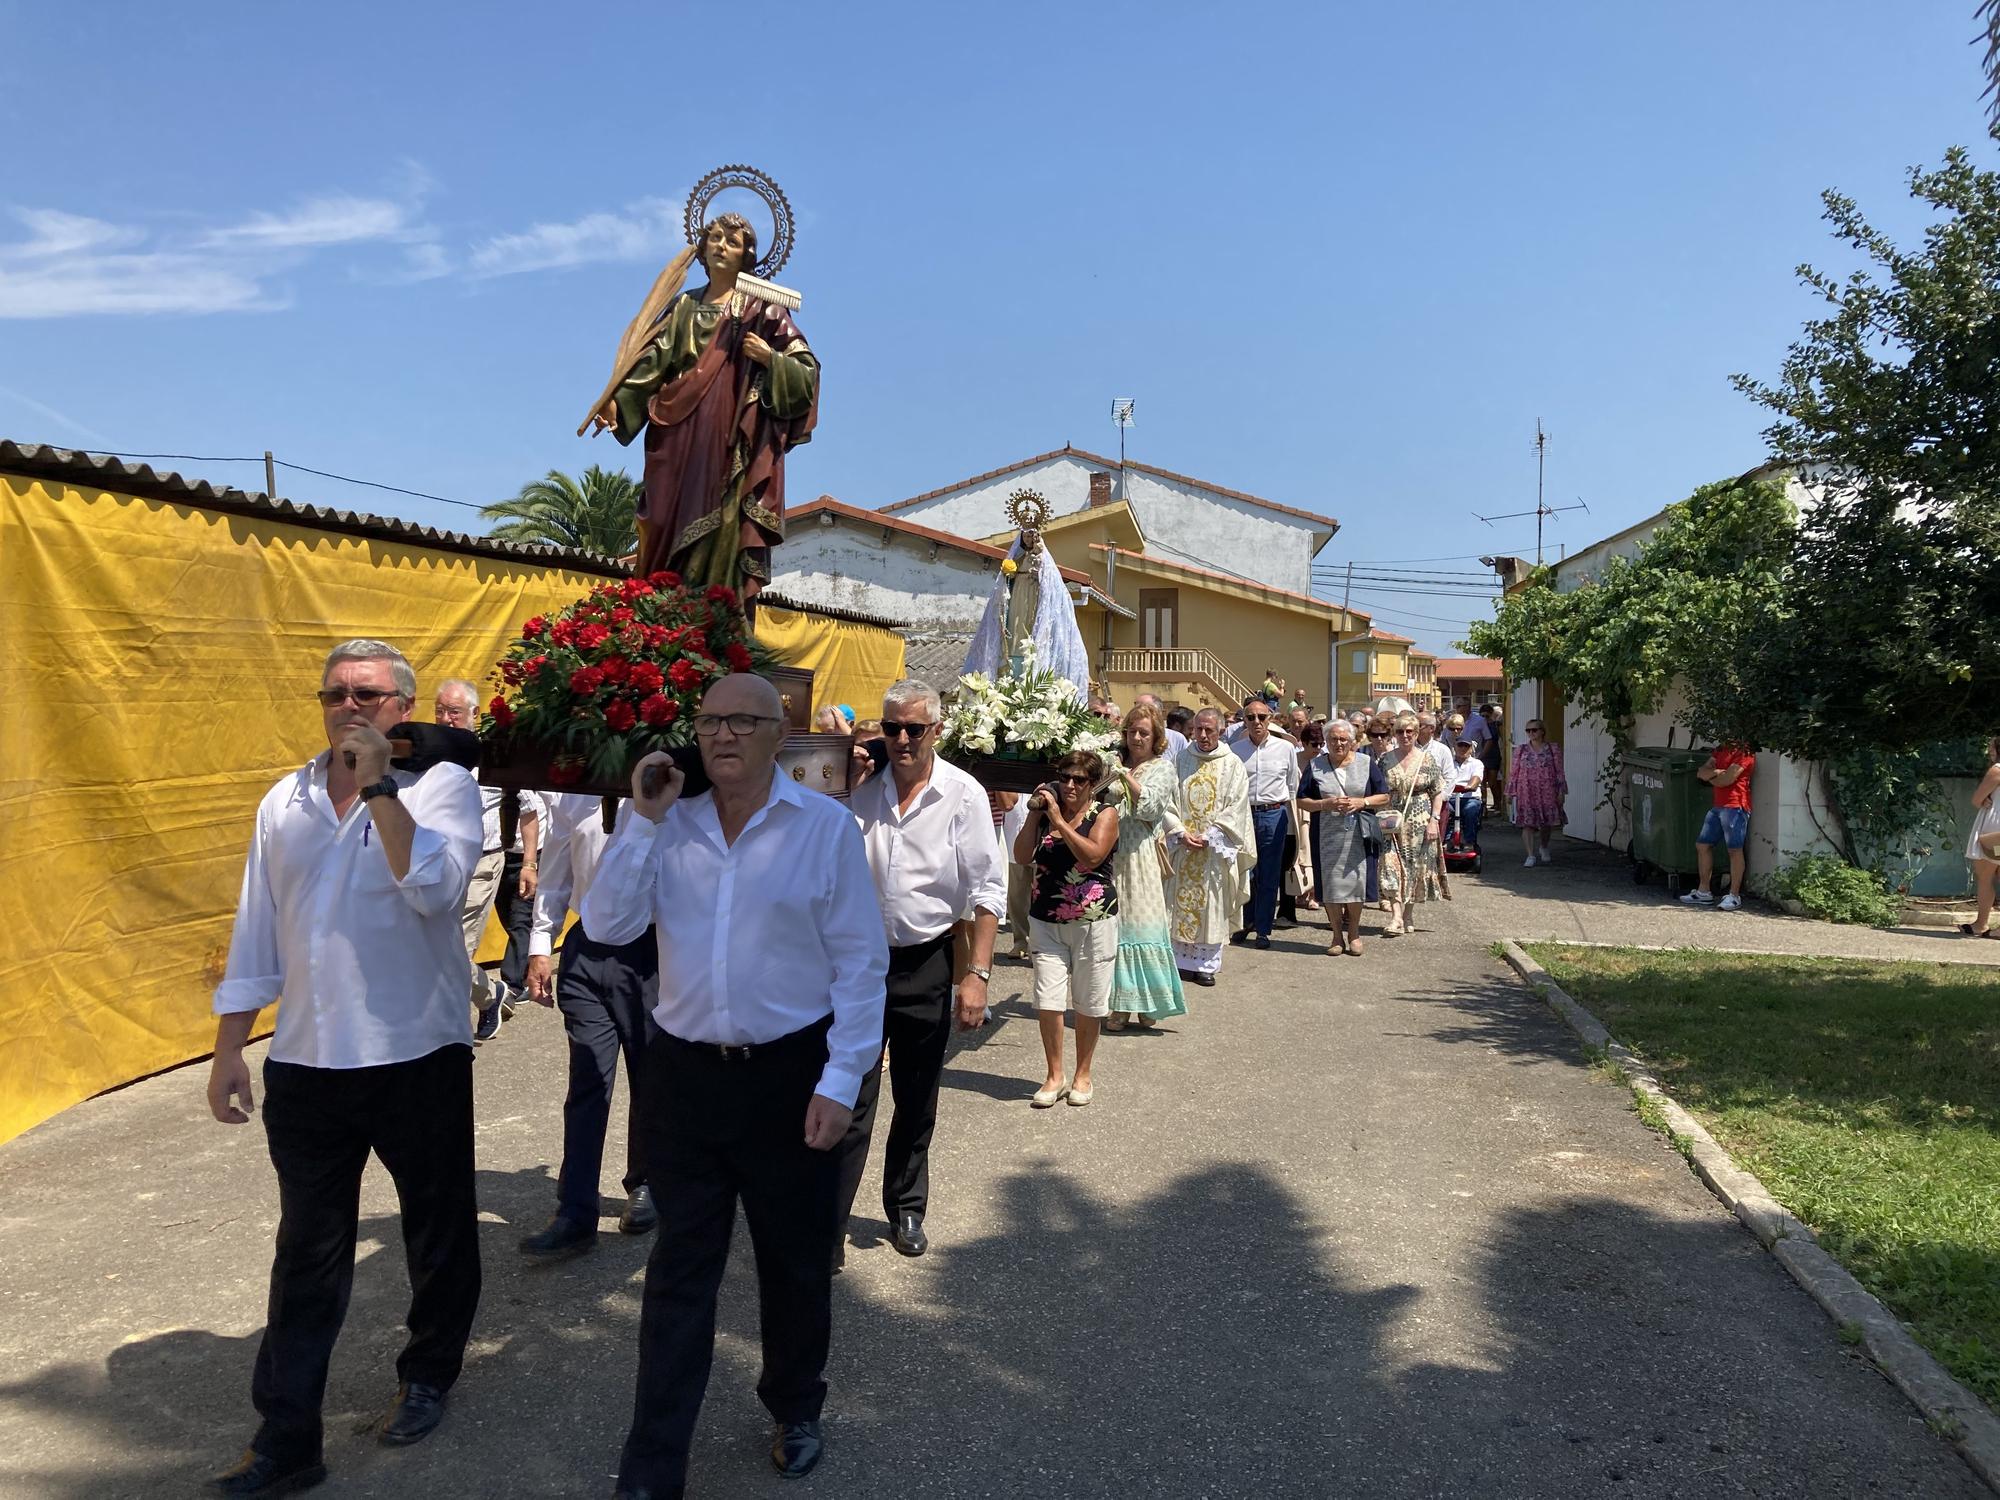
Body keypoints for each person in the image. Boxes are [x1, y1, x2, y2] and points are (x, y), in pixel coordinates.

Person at [581, 675, 887, 1495]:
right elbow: (607, 927)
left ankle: (795, 1405)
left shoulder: (823, 829)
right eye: (709, 721)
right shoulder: (664, 821)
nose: (721, 736)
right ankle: (653, 1462)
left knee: (791, 1263)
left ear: (776, 732)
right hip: (685, 1080)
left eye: (741, 722)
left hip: (789, 1076)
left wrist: (842, 1079)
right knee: (681, 1272)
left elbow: (861, 965)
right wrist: (642, 819)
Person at [205, 640, 485, 1496]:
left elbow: (436, 891)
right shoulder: (283, 799)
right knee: (307, 1253)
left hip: (417, 1055)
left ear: (403, 707)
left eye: (369, 693)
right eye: (335, 692)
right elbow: (259, 927)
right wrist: (228, 1048)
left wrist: (378, 788)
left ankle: (428, 1372)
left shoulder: (444, 787)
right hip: (308, 1061)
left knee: (437, 1231)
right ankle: (287, 1438)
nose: (349, 705)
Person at [840, 679, 1004, 1261]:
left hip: (926, 960)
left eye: (914, 728)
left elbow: (987, 889)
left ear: (937, 730)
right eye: (892, 728)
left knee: (915, 1096)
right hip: (857, 965)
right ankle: (830, 1213)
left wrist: (976, 975)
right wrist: (842, 787)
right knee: (848, 1092)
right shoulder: (856, 788)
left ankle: (906, 1206)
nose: (902, 739)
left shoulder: (962, 794)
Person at [594, 212, 819, 596]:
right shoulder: (684, 305)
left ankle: (712, 614)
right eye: (714, 237)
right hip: (674, 428)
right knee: (661, 516)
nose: (720, 246)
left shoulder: (763, 308)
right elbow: (653, 361)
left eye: (731, 241)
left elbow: (807, 370)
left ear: (747, 255)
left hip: (725, 430)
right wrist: (617, 403)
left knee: (719, 516)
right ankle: (659, 608)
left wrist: (769, 358)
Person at [518, 791, 661, 1261]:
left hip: (654, 950)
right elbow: (557, 867)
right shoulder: (576, 792)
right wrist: (542, 942)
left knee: (650, 1077)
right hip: (587, 949)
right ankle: (575, 1212)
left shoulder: (676, 789)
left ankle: (646, 1183)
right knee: (588, 1082)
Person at [435, 679, 541, 1042]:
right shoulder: (427, 756)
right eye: (440, 711)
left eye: (455, 712)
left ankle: (447, 1037)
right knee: (434, 949)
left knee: (455, 951)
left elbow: (529, 811)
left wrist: (529, 863)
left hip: (482, 864)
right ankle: (490, 993)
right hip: (436, 866)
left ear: (474, 716)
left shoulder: (494, 757)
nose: (446, 719)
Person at [1014, 750, 1121, 1105]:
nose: (1070, 785)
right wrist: (1036, 815)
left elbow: (1091, 856)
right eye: (1065, 777)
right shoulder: (1048, 815)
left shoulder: (1104, 814)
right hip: (1045, 920)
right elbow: (1022, 855)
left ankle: (1083, 1074)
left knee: (1088, 1001)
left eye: (1080, 780)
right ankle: (1054, 1075)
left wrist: (1060, 822)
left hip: (1094, 921)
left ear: (1092, 785)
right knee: (1048, 999)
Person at [1105, 703, 1188, 1031]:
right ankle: (1120, 1005)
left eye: (1144, 733)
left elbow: (1151, 808)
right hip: (1111, 853)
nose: (1136, 737)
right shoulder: (1115, 761)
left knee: (1142, 925)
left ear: (1156, 738)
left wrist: (1123, 775)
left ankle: (1150, 1001)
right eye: (1132, 731)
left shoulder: (1161, 768)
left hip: (1140, 856)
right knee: (1115, 928)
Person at [1168, 709, 1255, 986]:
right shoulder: (1181, 759)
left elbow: (1237, 806)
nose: (1203, 736)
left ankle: (1206, 964)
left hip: (1213, 851)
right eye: (1198, 730)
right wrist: (1180, 833)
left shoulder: (1232, 764)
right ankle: (1182, 961)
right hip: (1184, 848)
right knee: (1179, 903)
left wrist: (1212, 835)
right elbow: (1168, 801)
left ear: (1220, 731)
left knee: (1212, 904)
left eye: (1209, 730)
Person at [1299, 719, 1390, 955]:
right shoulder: (1316, 765)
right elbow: (1301, 800)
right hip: (1326, 835)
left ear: (1351, 741)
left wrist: (1364, 802)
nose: (1338, 743)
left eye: (1343, 739)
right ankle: (1336, 936)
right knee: (1330, 885)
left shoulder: (1366, 763)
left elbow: (1384, 796)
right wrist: (1325, 804)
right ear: (1326, 741)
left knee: (1356, 883)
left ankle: (1354, 933)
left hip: (1359, 834)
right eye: (1333, 739)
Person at [1231, 697, 1300, 950]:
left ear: (1270, 719)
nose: (1257, 722)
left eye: (1262, 717)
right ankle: (1246, 922)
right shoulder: (1236, 750)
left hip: (1274, 814)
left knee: (1269, 873)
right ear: (1244, 720)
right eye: (1251, 717)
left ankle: (1263, 928)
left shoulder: (1285, 749)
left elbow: (1292, 785)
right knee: (1245, 871)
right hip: (1244, 815)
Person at [1378, 713, 1447, 935]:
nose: (1405, 735)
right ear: (1394, 734)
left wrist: (1434, 821)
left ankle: (1408, 914)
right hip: (1391, 821)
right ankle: (1396, 916)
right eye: (1400, 731)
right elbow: (1378, 790)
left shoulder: (1427, 760)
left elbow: (1437, 791)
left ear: (1417, 733)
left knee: (1415, 868)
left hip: (1420, 820)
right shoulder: (1386, 760)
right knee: (1390, 866)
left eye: (1410, 731)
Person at [1680, 742, 1756, 910]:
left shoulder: (1745, 751)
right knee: (1702, 845)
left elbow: (1727, 779)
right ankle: (1704, 891)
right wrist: (1716, 774)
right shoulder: (1721, 749)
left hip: (1736, 807)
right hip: (1718, 806)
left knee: (1734, 850)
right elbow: (1701, 772)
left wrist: (1710, 776)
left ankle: (1734, 896)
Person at [1510, 718, 1567, 867]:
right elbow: (1514, 771)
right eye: (1528, 730)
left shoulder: (1552, 749)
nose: (1531, 733)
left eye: (1534, 730)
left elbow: (1559, 771)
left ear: (1542, 731)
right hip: (1526, 790)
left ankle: (1544, 846)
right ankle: (1530, 855)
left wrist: (1561, 791)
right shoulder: (1521, 750)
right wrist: (1510, 792)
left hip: (1548, 789)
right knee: (1527, 823)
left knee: (1546, 823)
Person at [1961, 736, 2000, 937]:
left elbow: (1976, 799)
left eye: (1992, 748)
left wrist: (1984, 800)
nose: (1989, 752)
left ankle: (1981, 924)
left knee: (1985, 876)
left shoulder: (1997, 770)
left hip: (1994, 830)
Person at [1294, 720, 1326, 912]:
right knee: (1299, 852)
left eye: (1321, 744)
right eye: (1314, 744)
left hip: (1316, 810)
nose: (1318, 748)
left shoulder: (1322, 761)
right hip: (1296, 810)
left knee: (1313, 852)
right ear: (1304, 742)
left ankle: (1314, 893)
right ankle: (1300, 890)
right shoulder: (1294, 758)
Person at [1447, 736, 1485, 855]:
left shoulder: (1476, 763)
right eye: (1460, 745)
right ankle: (1446, 841)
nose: (1463, 748)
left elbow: (1477, 777)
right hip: (1451, 796)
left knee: (1471, 810)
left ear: (1471, 749)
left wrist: (1470, 786)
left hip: (1470, 796)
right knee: (1445, 810)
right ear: (1455, 747)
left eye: (1466, 746)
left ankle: (1469, 841)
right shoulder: (1448, 763)